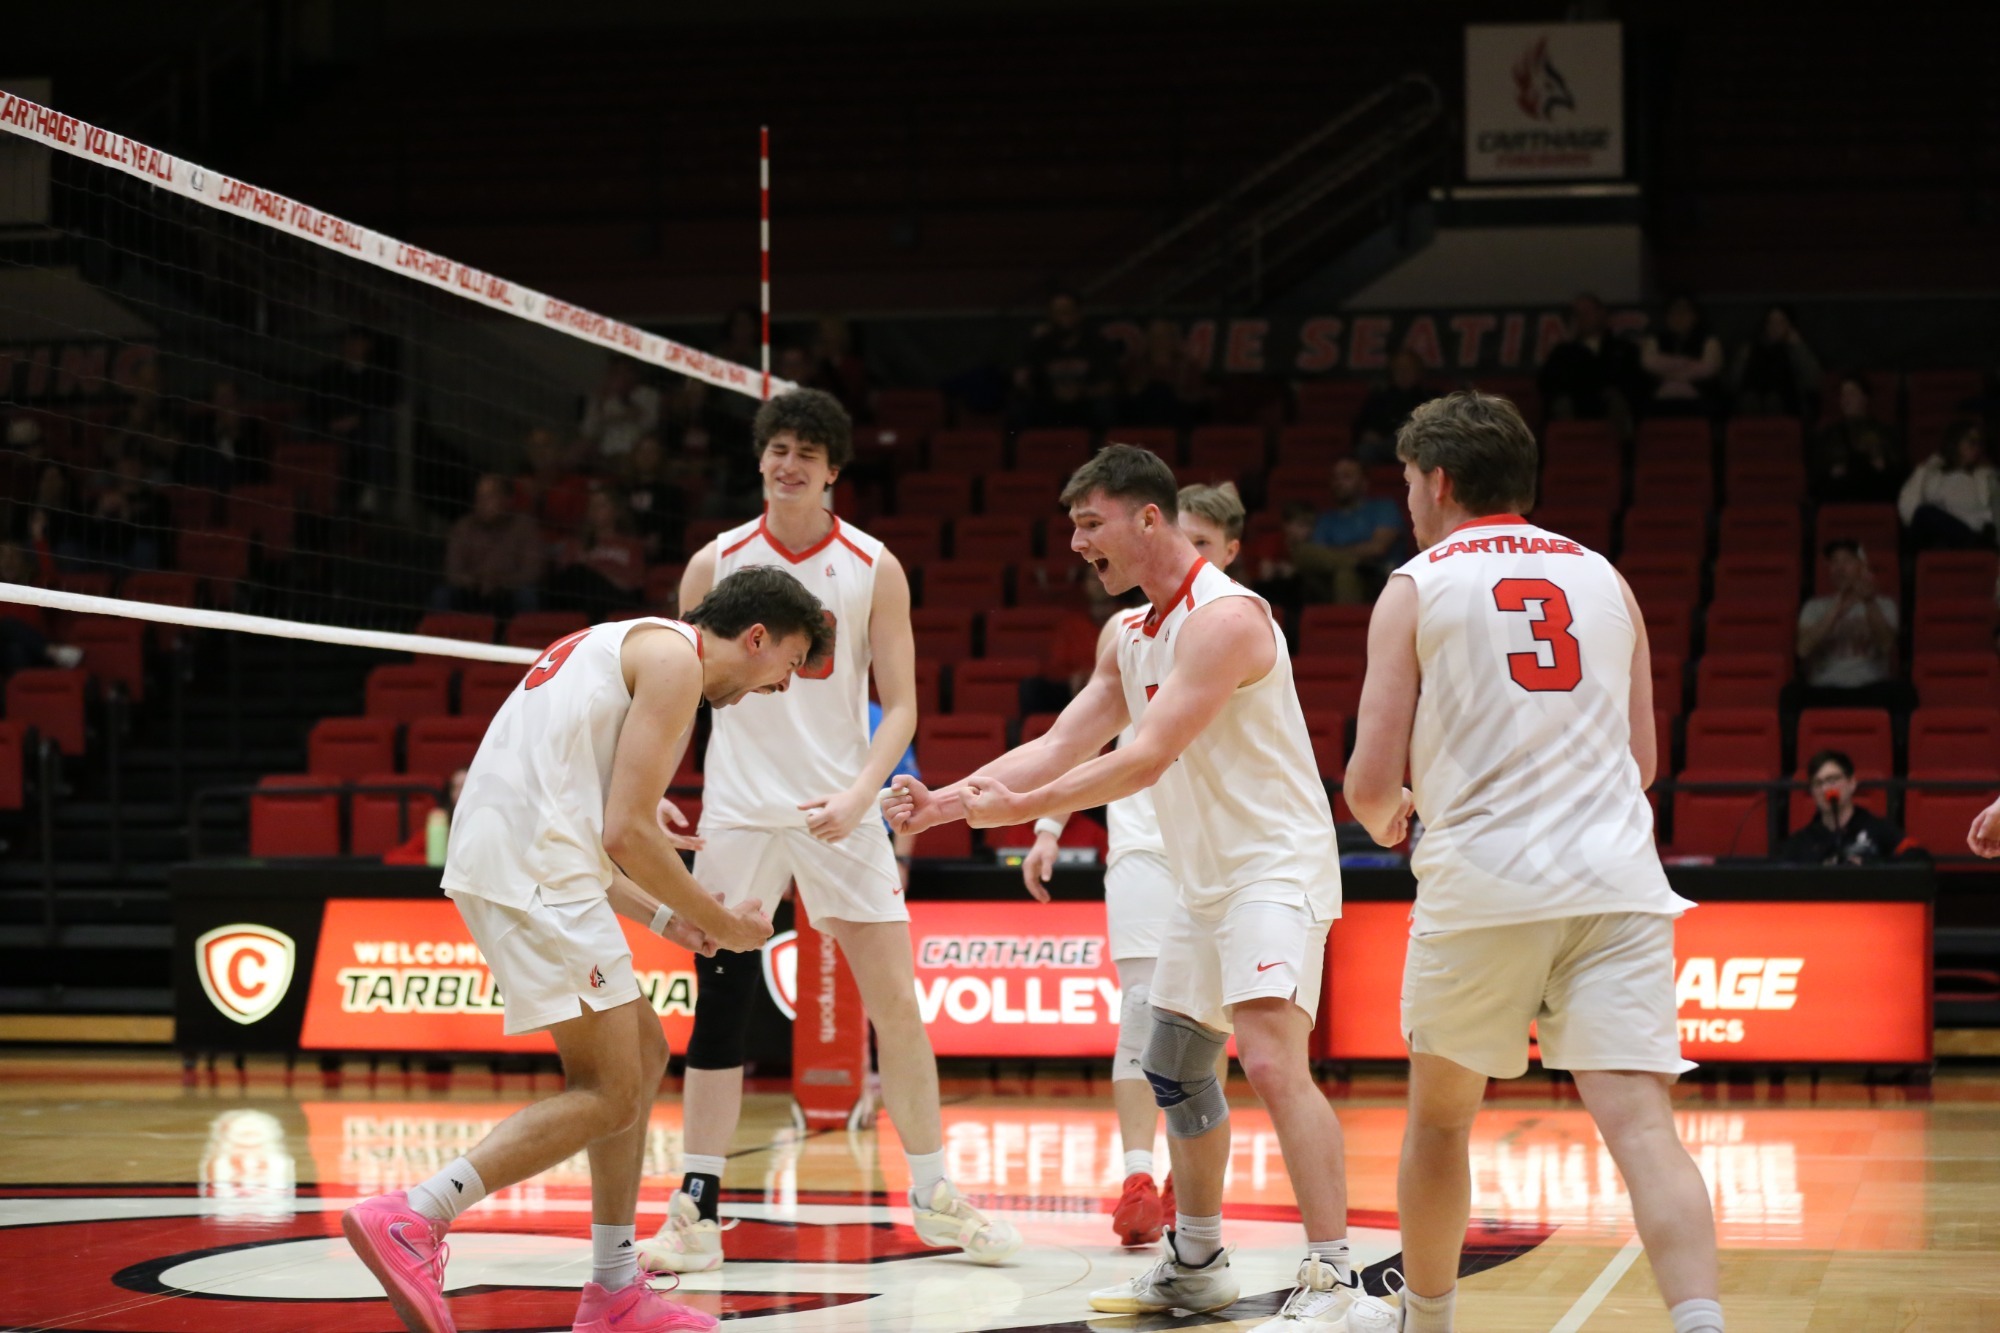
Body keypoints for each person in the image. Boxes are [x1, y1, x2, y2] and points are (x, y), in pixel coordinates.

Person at [884, 445, 1395, 1332]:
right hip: (1203, 877)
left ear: (1149, 518)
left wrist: (1020, 808)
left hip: (1273, 865)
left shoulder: (1226, 618)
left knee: (1271, 1060)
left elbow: (1146, 755)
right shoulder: (1128, 633)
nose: (1077, 543)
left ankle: (1336, 1279)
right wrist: (948, 802)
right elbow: (1059, 743)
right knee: (1177, 1068)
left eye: (1091, 523)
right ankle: (1197, 1260)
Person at [341, 568, 829, 1333]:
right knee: (608, 1089)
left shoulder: (624, 643)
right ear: (757, 636)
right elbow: (626, 832)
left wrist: (669, 919)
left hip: (528, 859)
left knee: (643, 1053)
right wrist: (723, 923)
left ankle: (614, 1289)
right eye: (790, 663)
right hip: (534, 868)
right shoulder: (675, 661)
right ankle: (415, 1213)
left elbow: (592, 829)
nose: (784, 684)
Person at [1344, 391, 1723, 1333]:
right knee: (1645, 1128)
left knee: (1442, 1120)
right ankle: (1701, 1322)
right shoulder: (1605, 577)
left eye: (1408, 481)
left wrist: (1391, 818)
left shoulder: (1416, 584)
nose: (1407, 500)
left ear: (1440, 480)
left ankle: (1428, 1320)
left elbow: (1369, 783)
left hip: (1485, 884)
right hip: (1616, 882)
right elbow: (1643, 762)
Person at [640, 388, 1019, 1274]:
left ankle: (935, 1192)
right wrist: (652, 783)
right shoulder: (714, 562)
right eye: (777, 448)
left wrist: (862, 793)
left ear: (833, 469)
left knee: (897, 1005)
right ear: (760, 458)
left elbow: (903, 704)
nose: (789, 464)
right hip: (739, 810)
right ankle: (697, 1207)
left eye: (806, 453)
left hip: (839, 808)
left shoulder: (873, 565)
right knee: (720, 1003)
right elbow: (676, 689)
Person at [1018, 481, 1244, 1250]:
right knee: (1143, 1010)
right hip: (1144, 841)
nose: (1191, 551)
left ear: (1228, 552)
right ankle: (1138, 1176)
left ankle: (1190, 1173)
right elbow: (1079, 737)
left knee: (1206, 1022)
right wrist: (1047, 824)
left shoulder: (1234, 621)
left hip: (1215, 847)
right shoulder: (1126, 628)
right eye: (1188, 535)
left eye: (1206, 542)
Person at [1795, 540, 1907, 710]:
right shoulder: (1814, 607)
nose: (1839, 568)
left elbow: (1886, 645)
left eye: (1847, 561)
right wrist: (1836, 609)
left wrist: (1869, 602)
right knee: (1791, 695)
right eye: (1834, 562)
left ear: (1862, 567)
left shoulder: (1884, 605)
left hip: (1871, 688)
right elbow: (1803, 649)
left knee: (1903, 694)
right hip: (1826, 689)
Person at [1293, 458, 1405, 604]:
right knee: (1303, 551)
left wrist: (1336, 555)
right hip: (1330, 583)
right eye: (1335, 478)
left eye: (1346, 477)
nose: (1339, 482)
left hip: (1377, 579)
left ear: (1364, 483)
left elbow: (1378, 548)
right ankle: (1355, 566)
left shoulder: (1384, 508)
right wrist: (1353, 560)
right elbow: (1315, 556)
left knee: (1346, 573)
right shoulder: (1326, 519)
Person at [437, 474, 545, 618]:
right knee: (442, 595)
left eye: (489, 497)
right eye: (479, 497)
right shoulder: (463, 527)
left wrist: (500, 581)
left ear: (508, 500)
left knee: (527, 596)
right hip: (471, 592)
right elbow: (452, 571)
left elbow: (533, 572)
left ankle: (525, 633)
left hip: (509, 591)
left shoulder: (525, 527)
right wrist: (475, 581)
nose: (482, 503)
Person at [1776, 751, 1905, 865]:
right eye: (1818, 783)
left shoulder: (1879, 829)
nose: (1825, 789)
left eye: (1832, 780)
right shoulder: (1801, 843)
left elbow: (1914, 857)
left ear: (1852, 783)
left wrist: (1870, 866)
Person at [1016, 289, 1118, 429]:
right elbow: (1026, 381)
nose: (1063, 317)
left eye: (1067, 311)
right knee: (1021, 409)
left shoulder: (1097, 344)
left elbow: (1110, 384)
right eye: (1057, 312)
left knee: (1104, 408)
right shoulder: (1039, 345)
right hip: (1049, 403)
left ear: (1079, 312)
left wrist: (1081, 392)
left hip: (1086, 403)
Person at [1536, 293, 1640, 425]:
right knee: (1562, 404)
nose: (1582, 318)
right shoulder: (1563, 351)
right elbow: (1548, 382)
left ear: (1602, 313)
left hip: (1608, 404)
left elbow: (1632, 379)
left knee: (1617, 400)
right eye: (1577, 314)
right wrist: (1571, 348)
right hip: (1576, 404)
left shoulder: (1622, 348)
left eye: (1587, 312)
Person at [1899, 421, 1998, 551]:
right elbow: (1909, 511)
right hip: (1942, 538)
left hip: (1977, 533)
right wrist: (1924, 470)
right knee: (1925, 514)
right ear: (1956, 443)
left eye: (1980, 443)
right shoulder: (1933, 473)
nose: (1976, 448)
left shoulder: (1985, 475)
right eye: (1972, 442)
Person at [549, 488, 649, 615]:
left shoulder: (631, 545)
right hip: (580, 599)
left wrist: (599, 575)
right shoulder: (576, 544)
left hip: (616, 599)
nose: (595, 510)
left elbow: (634, 584)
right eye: (592, 506)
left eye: (601, 505)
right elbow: (564, 578)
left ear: (616, 510)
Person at [1809, 375, 1906, 504]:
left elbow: (1900, 469)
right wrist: (1832, 471)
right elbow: (1817, 474)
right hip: (1840, 494)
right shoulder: (1829, 434)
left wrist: (1883, 465)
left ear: (1864, 398)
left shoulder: (1884, 432)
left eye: (1851, 394)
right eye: (1843, 395)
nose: (1846, 399)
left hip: (1876, 492)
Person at [1639, 296, 1725, 418]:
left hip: (1701, 397)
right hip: (1659, 397)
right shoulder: (1655, 339)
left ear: (1695, 316)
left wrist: (1670, 371)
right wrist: (1685, 363)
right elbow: (1648, 363)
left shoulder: (1708, 340)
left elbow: (1709, 368)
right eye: (1673, 312)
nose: (1678, 317)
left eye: (1684, 312)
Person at [1731, 305, 1822, 419]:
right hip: (1753, 407)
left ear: (1790, 325)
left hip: (1789, 407)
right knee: (1749, 400)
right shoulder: (1752, 349)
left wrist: (1798, 347)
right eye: (1771, 322)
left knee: (1773, 400)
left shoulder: (1795, 349)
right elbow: (1733, 384)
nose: (1775, 327)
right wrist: (1742, 359)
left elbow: (1814, 382)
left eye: (1780, 322)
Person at [1354, 350, 1438, 463]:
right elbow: (1361, 428)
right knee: (1365, 450)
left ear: (1418, 372)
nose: (1403, 373)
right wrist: (1369, 435)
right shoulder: (1379, 398)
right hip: (1385, 446)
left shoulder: (1431, 398)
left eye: (1408, 369)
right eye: (1398, 369)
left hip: (1418, 448)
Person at [580, 357, 663, 464]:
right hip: (605, 454)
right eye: (617, 372)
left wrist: (626, 402)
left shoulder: (649, 395)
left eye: (627, 371)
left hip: (637, 456)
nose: (623, 377)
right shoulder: (600, 396)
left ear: (636, 374)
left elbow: (650, 425)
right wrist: (600, 403)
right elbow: (588, 431)